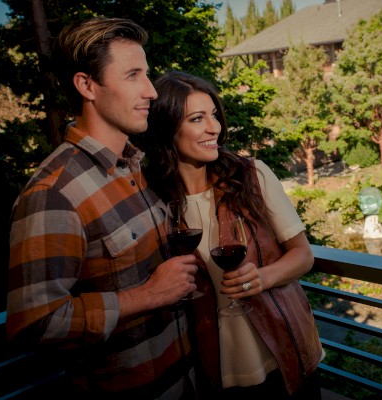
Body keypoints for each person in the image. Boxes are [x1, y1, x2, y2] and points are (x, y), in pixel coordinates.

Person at [6, 18, 200, 399]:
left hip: (184, 382)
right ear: (86, 85)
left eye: (147, 74)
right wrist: (147, 296)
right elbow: (34, 323)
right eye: (133, 75)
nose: (151, 91)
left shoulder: (134, 166)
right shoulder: (54, 194)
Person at [140, 70, 323, 400]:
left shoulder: (252, 176)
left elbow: (303, 255)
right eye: (197, 118)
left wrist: (262, 278)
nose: (214, 128)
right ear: (168, 130)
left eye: (213, 115)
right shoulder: (154, 200)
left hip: (282, 351)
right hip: (210, 367)